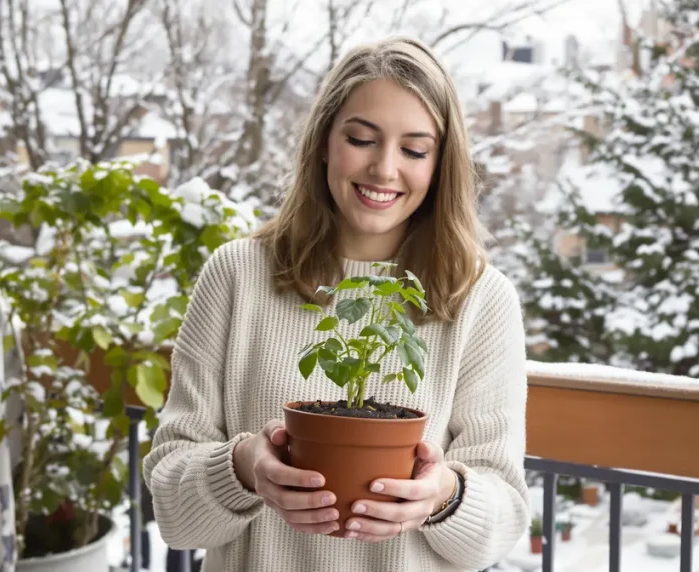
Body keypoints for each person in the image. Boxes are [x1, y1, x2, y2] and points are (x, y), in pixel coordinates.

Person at [142, 36, 529, 572]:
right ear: (324, 140)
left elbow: (504, 521)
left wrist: (444, 496)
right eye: (362, 139)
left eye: (415, 150)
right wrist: (240, 467)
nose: (384, 169)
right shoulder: (237, 275)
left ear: (441, 166)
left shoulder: (480, 298)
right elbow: (175, 516)